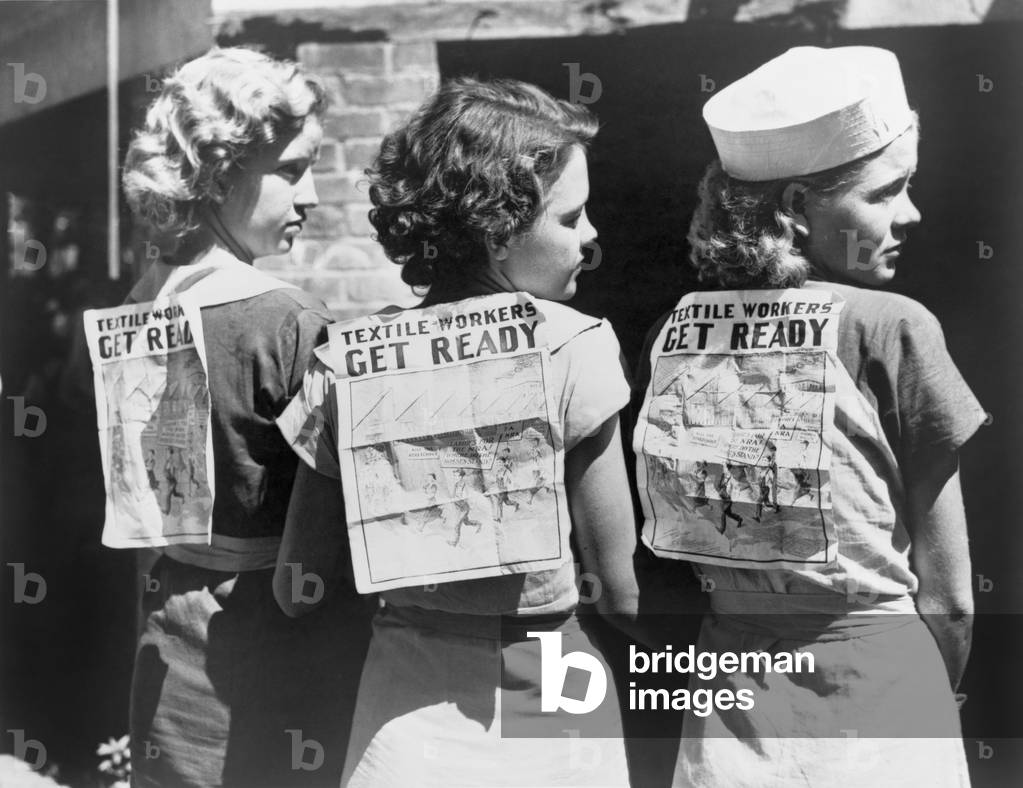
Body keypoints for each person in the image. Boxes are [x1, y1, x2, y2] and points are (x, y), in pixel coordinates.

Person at [633, 46, 986, 787]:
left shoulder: (670, 333)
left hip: (729, 704)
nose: (911, 214)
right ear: (794, 208)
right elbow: (950, 599)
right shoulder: (889, 325)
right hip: (877, 686)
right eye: (886, 192)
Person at [274, 77, 639, 787]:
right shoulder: (573, 344)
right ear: (498, 231)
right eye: (571, 219)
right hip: (549, 690)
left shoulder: (346, 358)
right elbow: (620, 593)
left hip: (403, 702)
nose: (591, 237)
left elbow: (299, 586)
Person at [114, 47, 374, 787]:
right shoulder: (287, 321)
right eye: (292, 170)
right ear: (222, 171)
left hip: (167, 629)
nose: (313, 195)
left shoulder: (135, 305)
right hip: (275, 647)